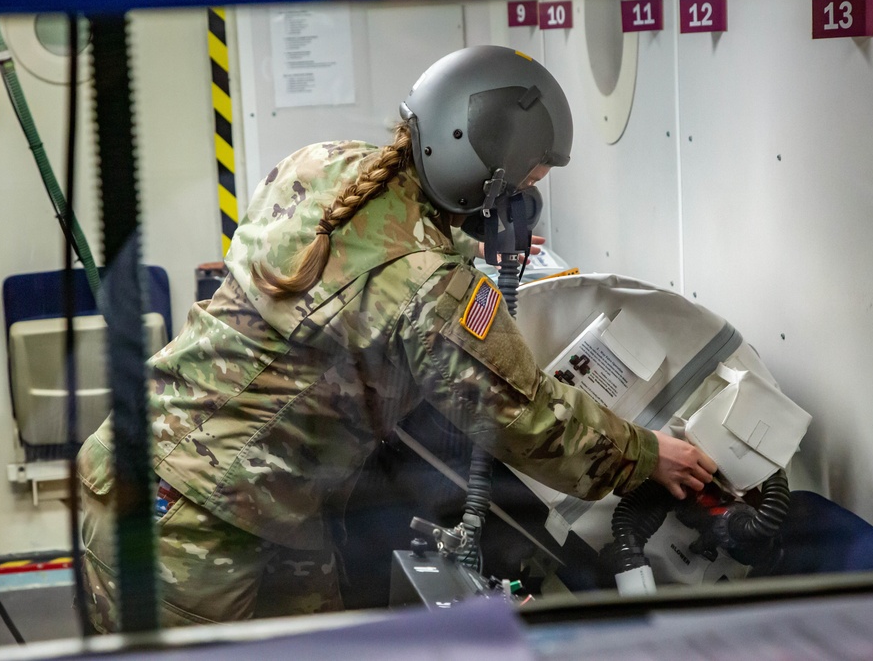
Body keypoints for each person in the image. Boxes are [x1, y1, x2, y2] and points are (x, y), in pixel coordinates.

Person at [77, 45, 717, 632]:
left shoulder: (323, 164)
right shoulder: (433, 290)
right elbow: (526, 416)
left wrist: (468, 246)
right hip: (187, 518)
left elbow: (367, 253)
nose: (524, 204)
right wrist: (643, 453)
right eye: (522, 187)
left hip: (241, 494)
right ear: (481, 175)